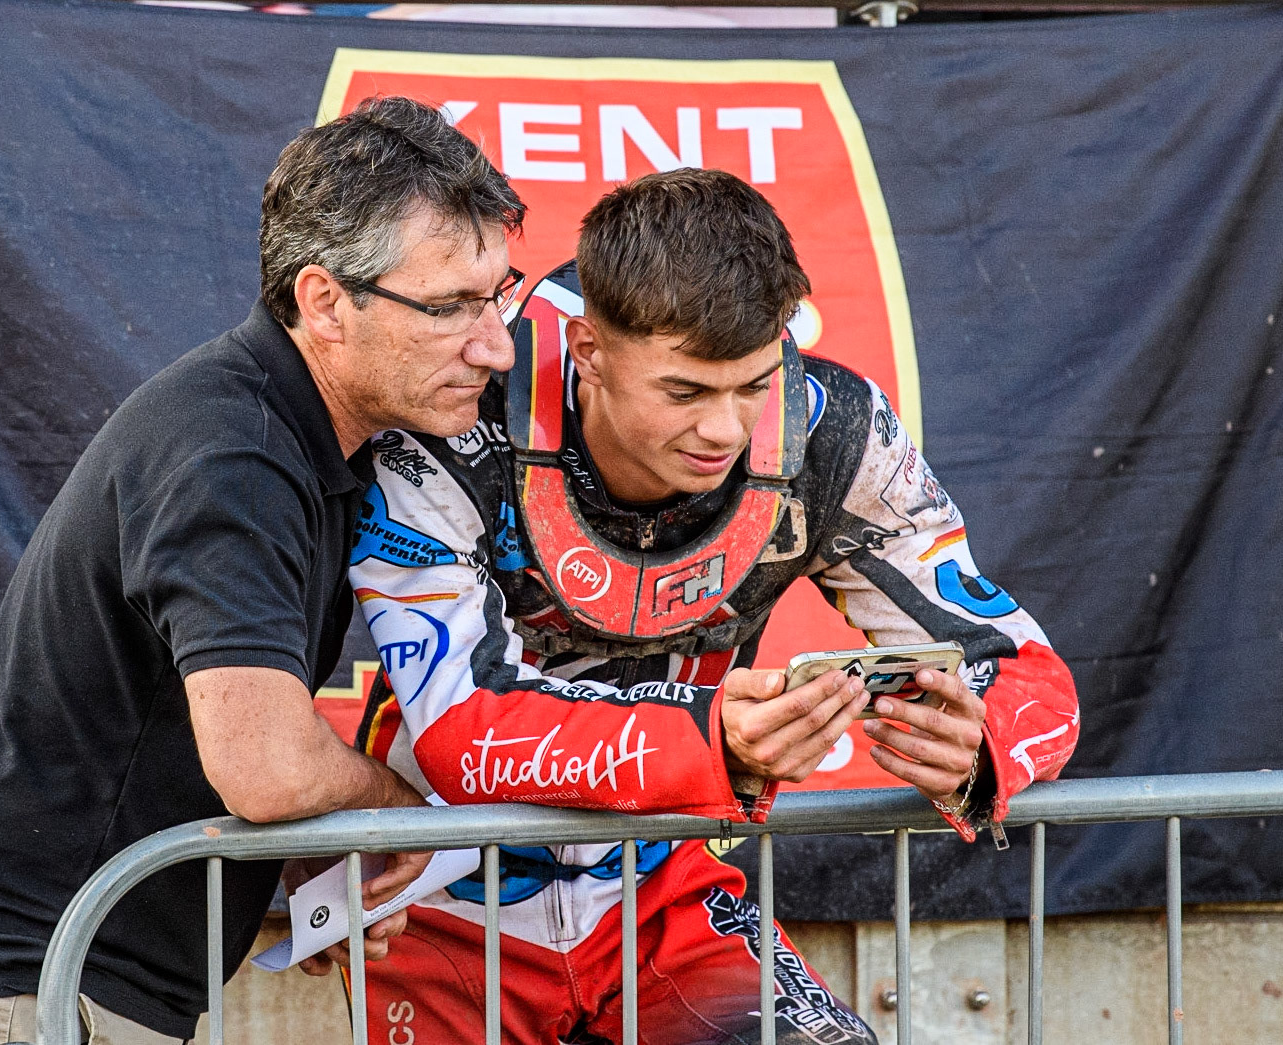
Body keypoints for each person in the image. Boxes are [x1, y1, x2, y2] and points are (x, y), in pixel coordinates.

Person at [0, 97, 526, 1045]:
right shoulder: (233, 452)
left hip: (47, 984)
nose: (493, 343)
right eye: (449, 305)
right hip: (12, 990)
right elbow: (268, 765)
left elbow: (191, 737)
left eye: (500, 293)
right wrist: (395, 813)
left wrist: (308, 863)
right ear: (324, 301)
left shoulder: (289, 430)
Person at [345, 168, 1079, 1044]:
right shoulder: (452, 418)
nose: (725, 431)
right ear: (588, 351)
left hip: (667, 890)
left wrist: (979, 738)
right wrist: (709, 736)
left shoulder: (833, 431)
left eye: (752, 384)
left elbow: (1027, 670)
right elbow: (459, 732)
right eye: (685, 392)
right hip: (440, 901)